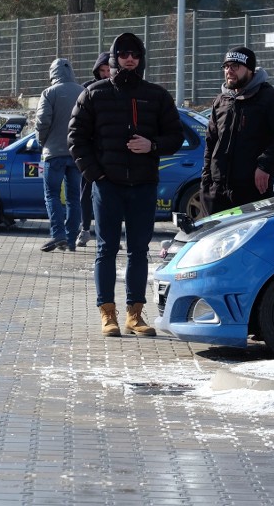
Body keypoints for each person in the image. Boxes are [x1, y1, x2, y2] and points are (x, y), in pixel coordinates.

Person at [68, 32, 184, 337]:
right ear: (113, 57)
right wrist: (97, 175)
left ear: (141, 58)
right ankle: (108, 314)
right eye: (123, 53)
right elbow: (76, 140)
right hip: (107, 186)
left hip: (144, 185)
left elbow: (176, 136)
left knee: (138, 251)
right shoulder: (94, 94)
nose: (129, 58)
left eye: (134, 53)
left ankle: (135, 314)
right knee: (105, 250)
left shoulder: (157, 95)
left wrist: (153, 145)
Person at [200, 46, 274, 217]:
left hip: (252, 191)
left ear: (250, 69)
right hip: (216, 192)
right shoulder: (221, 101)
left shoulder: (270, 98)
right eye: (226, 66)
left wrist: (264, 164)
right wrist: (206, 181)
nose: (229, 71)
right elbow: (211, 142)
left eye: (235, 66)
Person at [36, 58, 85, 252]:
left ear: (52, 74)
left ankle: (58, 235)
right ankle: (71, 239)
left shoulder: (49, 93)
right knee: (74, 198)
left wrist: (43, 142)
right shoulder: (83, 91)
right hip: (77, 153)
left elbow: (42, 122)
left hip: (54, 153)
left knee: (52, 195)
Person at [76, 52, 111, 248]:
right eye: (102, 70)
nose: (106, 74)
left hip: (111, 151)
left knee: (110, 195)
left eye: (108, 70)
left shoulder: (119, 88)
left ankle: (108, 231)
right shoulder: (87, 89)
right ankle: (84, 229)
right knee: (86, 191)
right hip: (90, 151)